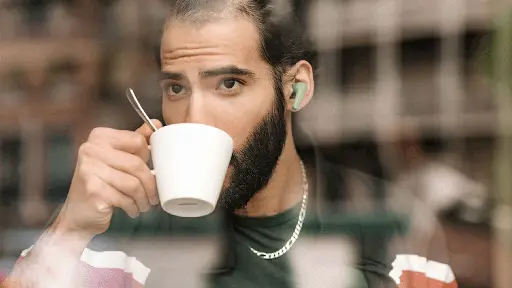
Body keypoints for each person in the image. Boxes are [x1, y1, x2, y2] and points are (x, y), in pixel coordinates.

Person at [1, 0, 459, 287]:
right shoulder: (120, 250)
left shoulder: (395, 241)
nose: (194, 118)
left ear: (295, 90)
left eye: (229, 85)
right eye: (177, 88)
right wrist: (69, 229)